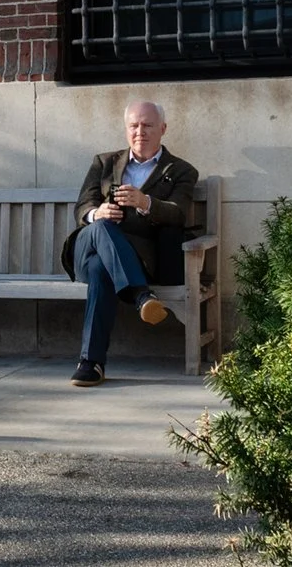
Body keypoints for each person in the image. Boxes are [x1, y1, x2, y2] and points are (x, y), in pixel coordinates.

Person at [62, 100, 199, 387]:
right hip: (86, 247)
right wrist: (96, 212)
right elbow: (82, 206)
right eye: (134, 125)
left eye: (147, 125)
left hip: (132, 259)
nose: (140, 132)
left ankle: (91, 364)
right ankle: (140, 297)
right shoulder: (104, 162)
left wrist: (146, 202)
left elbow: (178, 213)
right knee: (100, 227)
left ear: (163, 129)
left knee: (103, 270)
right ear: (126, 130)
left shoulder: (182, 171)